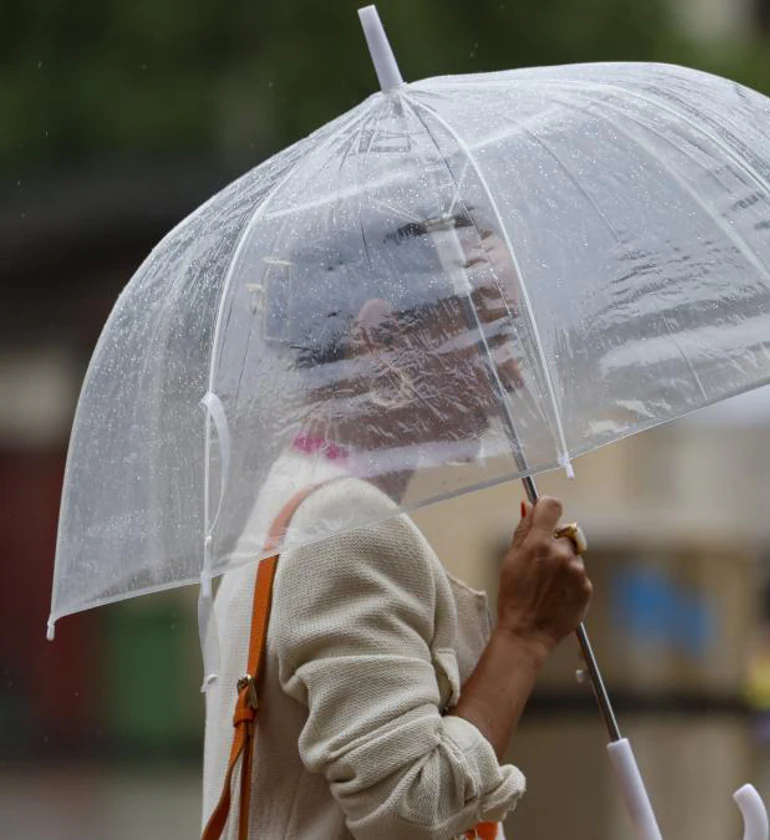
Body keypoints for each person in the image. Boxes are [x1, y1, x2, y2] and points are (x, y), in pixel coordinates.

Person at [201, 210, 592, 839]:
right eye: (491, 335)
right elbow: (414, 810)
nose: (511, 373)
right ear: (382, 339)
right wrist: (525, 635)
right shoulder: (346, 526)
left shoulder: (295, 491)